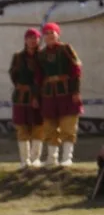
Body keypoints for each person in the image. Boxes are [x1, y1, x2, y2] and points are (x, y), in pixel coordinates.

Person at [37, 22, 82, 167]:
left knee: (68, 125)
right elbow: (38, 76)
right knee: (49, 126)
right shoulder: (41, 54)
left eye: (52, 32)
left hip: (67, 93)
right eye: (47, 33)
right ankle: (52, 158)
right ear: (43, 37)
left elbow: (76, 69)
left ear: (58, 34)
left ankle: (67, 158)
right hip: (49, 95)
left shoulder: (65, 49)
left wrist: (75, 91)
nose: (50, 36)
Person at [9, 28, 44, 168]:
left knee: (38, 126)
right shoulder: (18, 57)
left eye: (35, 37)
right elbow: (13, 73)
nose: (32, 40)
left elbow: (42, 76)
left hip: (39, 96)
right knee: (21, 126)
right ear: (25, 40)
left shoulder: (42, 56)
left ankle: (36, 159)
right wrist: (20, 86)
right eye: (29, 37)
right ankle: (25, 160)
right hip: (21, 97)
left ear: (39, 40)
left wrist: (36, 94)